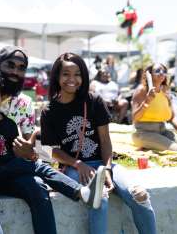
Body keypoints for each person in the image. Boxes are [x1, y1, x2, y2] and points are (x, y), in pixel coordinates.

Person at [0, 46, 102, 234]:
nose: (15, 72)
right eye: (10, 65)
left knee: (37, 187)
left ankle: (81, 193)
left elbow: (33, 151)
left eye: (21, 67)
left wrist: (29, 152)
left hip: (10, 169)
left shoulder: (24, 103)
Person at [41, 52, 156, 234]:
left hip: (104, 163)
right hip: (73, 167)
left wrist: (108, 169)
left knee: (139, 195)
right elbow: (49, 151)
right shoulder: (49, 111)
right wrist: (78, 164)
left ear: (84, 76)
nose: (72, 79)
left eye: (77, 74)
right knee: (99, 197)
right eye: (66, 74)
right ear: (56, 76)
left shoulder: (93, 101)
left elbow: (105, 140)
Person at [131, 63, 177, 151]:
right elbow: (135, 118)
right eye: (157, 71)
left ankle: (149, 146)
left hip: (162, 131)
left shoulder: (165, 92)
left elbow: (172, 117)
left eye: (164, 71)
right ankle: (146, 145)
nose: (162, 73)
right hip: (143, 132)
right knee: (176, 150)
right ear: (150, 74)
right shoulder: (141, 90)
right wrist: (147, 101)